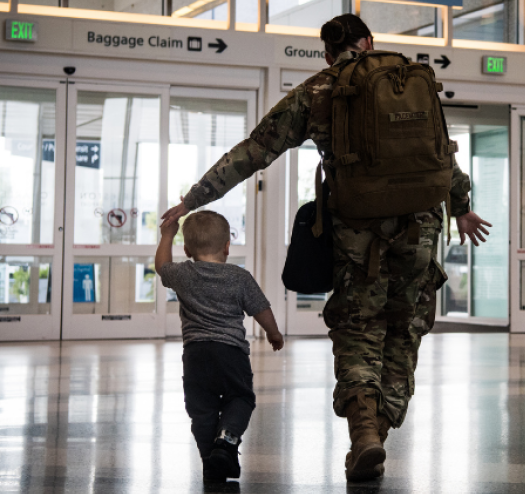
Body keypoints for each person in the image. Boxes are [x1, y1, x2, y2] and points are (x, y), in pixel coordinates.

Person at [161, 14, 491, 481]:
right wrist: (461, 206)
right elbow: (440, 154)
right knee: (403, 333)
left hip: (358, 236)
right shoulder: (408, 80)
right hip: (421, 232)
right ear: (370, 42)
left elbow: (253, 152)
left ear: (327, 54)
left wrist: (192, 200)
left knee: (359, 332)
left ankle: (364, 435)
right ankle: (377, 430)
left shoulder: (320, 89)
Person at [155, 210, 284, 483]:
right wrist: (274, 334)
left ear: (187, 249)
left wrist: (167, 235)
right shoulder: (239, 277)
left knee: (202, 410)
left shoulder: (183, 274)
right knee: (240, 398)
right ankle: (225, 443)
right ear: (227, 246)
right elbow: (261, 309)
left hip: (195, 355)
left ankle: (210, 461)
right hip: (231, 354)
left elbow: (161, 266)